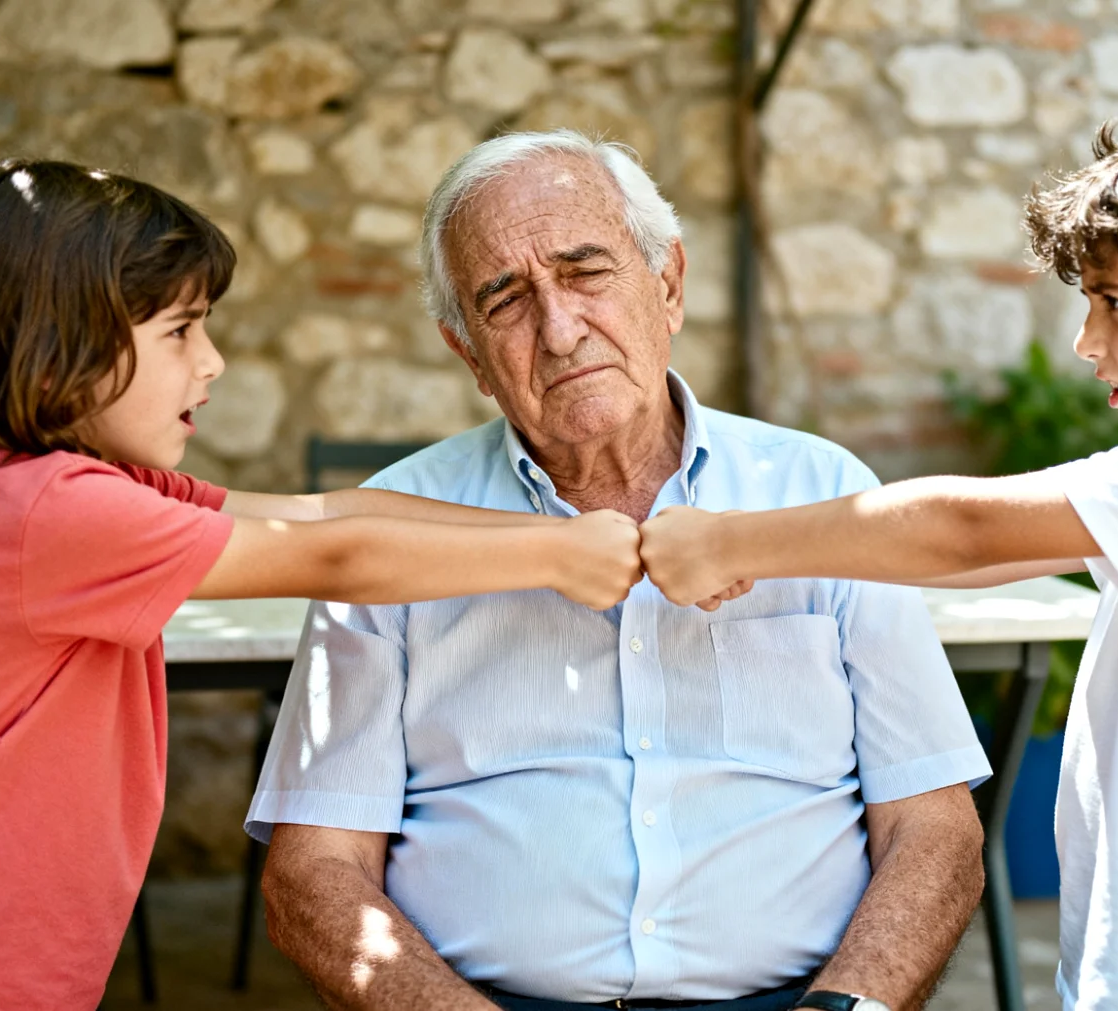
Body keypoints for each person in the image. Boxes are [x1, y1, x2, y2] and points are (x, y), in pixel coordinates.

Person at [0, 159, 647, 1011]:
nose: (214, 361)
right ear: (54, 355)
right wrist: (558, 563)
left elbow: (323, 511)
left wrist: (569, 532)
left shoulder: (75, 487)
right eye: (181, 331)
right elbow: (337, 559)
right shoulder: (53, 512)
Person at [640, 92, 1118, 1011]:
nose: (1085, 339)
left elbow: (969, 529)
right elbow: (1005, 555)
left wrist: (730, 539)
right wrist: (783, 561)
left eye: (1114, 302)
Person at [248, 130, 992, 1011]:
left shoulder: (820, 492)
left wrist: (847, 1007)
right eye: (506, 299)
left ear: (668, 284)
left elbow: (934, 826)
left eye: (586, 271)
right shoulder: (388, 529)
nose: (560, 329)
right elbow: (316, 872)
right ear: (468, 355)